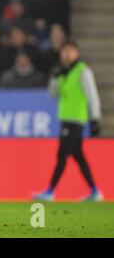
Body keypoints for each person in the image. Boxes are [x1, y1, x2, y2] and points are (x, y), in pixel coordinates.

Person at [34, 40, 103, 202]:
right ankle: (94, 191)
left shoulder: (83, 71)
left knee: (62, 155)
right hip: (66, 120)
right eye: (64, 51)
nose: (66, 54)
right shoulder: (63, 73)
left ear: (76, 53)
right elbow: (52, 94)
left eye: (70, 51)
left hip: (76, 120)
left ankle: (50, 191)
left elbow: (93, 95)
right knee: (78, 156)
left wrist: (95, 118)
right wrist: (55, 78)